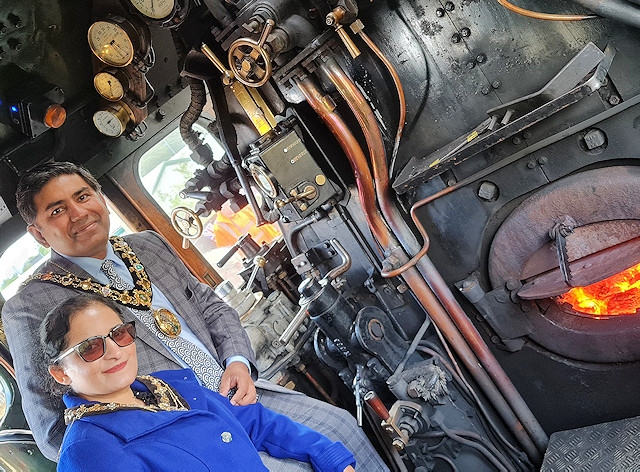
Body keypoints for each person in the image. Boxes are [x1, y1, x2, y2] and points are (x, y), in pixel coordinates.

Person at [1, 161, 389, 470]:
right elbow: (52, 430)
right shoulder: (30, 304)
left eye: (83, 196)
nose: (79, 212)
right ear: (38, 233)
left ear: (99, 197)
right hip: (173, 440)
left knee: (343, 428)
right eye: (57, 210)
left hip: (237, 395)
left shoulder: (147, 245)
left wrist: (237, 362)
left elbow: (210, 304)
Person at [41, 294, 356, 471]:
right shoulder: (88, 452)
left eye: (119, 334)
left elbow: (256, 422)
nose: (114, 352)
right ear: (61, 372)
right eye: (90, 347)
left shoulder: (168, 388)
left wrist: (331, 458)